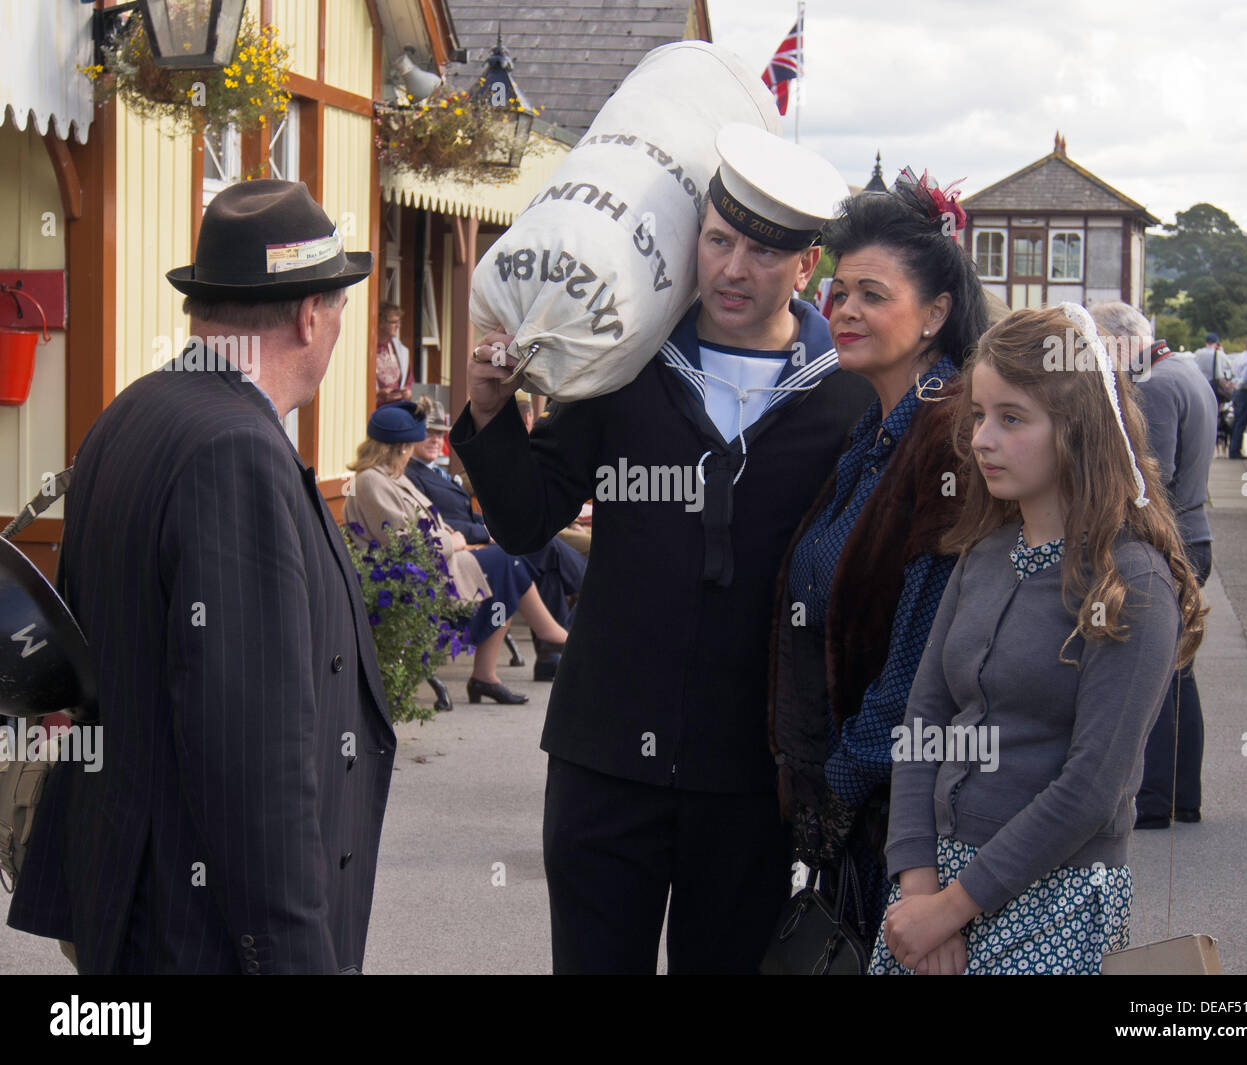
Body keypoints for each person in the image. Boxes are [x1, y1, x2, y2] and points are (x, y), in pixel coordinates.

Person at [451, 124, 873, 973]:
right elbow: (528, 521)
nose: (731, 269)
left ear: (807, 267)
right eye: (718, 241)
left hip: (752, 779)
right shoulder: (627, 362)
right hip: (604, 758)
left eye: (760, 252)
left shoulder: (848, 401)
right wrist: (492, 412)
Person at [6, 180, 395, 973]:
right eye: (340, 308)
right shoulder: (235, 451)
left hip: (125, 897)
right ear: (309, 314)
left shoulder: (134, 409)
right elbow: (254, 755)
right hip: (198, 930)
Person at [873, 304, 1205, 975]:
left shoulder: (1129, 579)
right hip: (935, 889)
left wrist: (954, 906)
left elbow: (1092, 788)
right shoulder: (982, 556)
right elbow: (923, 722)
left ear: (1076, 429)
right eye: (978, 416)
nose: (982, 440)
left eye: (1012, 418)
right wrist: (917, 888)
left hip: (1054, 897)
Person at [768, 172, 988, 952]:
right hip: (853, 807)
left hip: (900, 818)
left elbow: (920, 652)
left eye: (871, 293)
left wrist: (841, 784)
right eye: (837, 294)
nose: (846, 310)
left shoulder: (948, 436)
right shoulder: (876, 427)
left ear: (935, 314)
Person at [344, 401, 569, 705]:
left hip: (435, 564)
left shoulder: (389, 477)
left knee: (508, 566)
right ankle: (544, 640)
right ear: (399, 447)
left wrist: (451, 539)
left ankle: (494, 672)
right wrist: (456, 542)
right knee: (509, 563)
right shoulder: (372, 481)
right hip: (417, 575)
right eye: (410, 445)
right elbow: (405, 544)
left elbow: (420, 529)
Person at [1092, 301, 1216, 828]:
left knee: (1155, 675)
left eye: (1098, 347)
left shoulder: (1158, 386)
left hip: (1173, 540)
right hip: (1195, 534)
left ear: (1121, 342)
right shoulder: (1185, 369)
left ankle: (1156, 801)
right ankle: (1182, 796)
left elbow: (1150, 481)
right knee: (1176, 672)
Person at [407, 399, 586, 683]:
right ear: (411, 437)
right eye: (429, 432)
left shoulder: (434, 472)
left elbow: (469, 513)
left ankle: (551, 657)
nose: (435, 439)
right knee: (542, 548)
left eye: (440, 433)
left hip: (479, 541)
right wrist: (486, 532)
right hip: (462, 552)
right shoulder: (412, 476)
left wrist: (491, 526)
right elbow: (437, 523)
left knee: (548, 568)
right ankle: (580, 600)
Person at [376, 301, 414, 405]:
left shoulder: (401, 351)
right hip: (376, 410)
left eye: (399, 322)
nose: (398, 326)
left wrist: (407, 392)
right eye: (394, 322)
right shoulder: (368, 350)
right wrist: (378, 393)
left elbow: (409, 381)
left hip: (398, 407)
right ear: (381, 323)